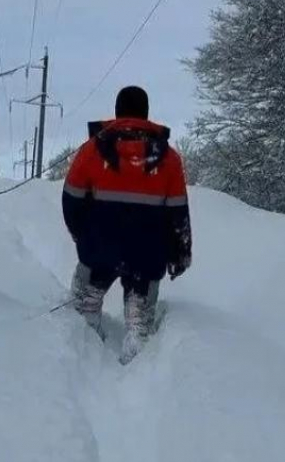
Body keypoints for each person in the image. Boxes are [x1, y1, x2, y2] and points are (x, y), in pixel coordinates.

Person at [62, 86, 191, 363]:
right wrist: (180, 255)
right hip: (148, 255)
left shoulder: (91, 150)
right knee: (140, 323)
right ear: (146, 113)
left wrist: (81, 236)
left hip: (97, 250)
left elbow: (71, 200)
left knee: (82, 312)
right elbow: (178, 214)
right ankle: (136, 365)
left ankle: (83, 359)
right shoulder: (169, 158)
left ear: (117, 111)